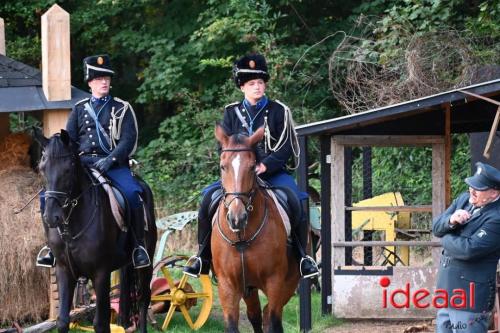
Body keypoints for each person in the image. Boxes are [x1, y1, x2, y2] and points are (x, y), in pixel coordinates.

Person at [183, 53, 319, 279]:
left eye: (260, 82)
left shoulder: (278, 111)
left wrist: (265, 166)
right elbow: (224, 147)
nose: (258, 87)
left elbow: (285, 147)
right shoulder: (231, 112)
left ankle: (303, 256)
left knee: (296, 199)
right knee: (207, 198)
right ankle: (202, 256)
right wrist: (232, 167)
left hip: (272, 173)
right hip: (238, 176)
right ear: (242, 87)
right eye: (252, 83)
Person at [36, 54, 150, 269]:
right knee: (47, 196)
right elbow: (69, 140)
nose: (104, 82)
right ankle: (51, 247)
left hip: (114, 166)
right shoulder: (79, 109)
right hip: (84, 165)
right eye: (98, 78)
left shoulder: (122, 107)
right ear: (90, 83)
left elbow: (128, 140)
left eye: (106, 77)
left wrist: (111, 159)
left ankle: (137, 248)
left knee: (133, 194)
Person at [432, 162, 500, 333]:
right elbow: (436, 227)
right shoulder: (464, 199)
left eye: (478, 188)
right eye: (471, 185)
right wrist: (451, 221)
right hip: (447, 292)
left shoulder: (497, 217)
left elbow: (469, 250)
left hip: (471, 298)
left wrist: (446, 237)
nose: (472, 190)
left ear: (493, 193)